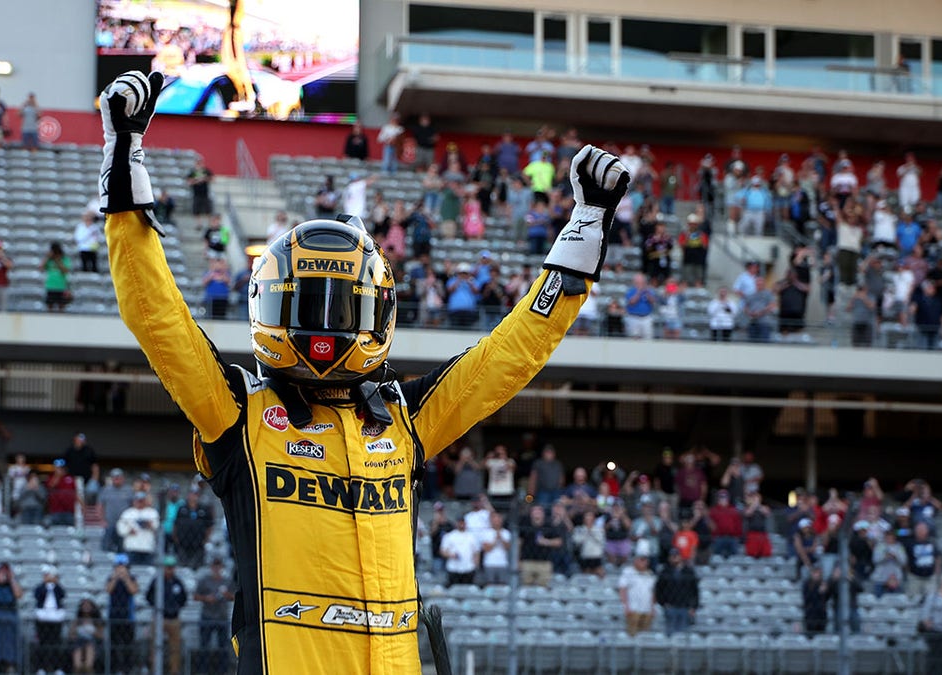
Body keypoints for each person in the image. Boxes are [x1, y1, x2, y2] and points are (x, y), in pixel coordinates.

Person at [99, 70, 629, 672]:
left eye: (342, 305)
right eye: (307, 304)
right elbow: (157, 318)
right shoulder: (237, 413)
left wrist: (585, 227)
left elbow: (510, 355)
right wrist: (124, 159)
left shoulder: (404, 415)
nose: (324, 327)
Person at [146, 556, 189, 675]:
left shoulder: (177, 582)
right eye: (167, 567)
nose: (169, 570)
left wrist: (175, 607)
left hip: (174, 618)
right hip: (159, 617)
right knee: (154, 646)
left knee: (175, 648)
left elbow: (184, 598)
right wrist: (157, 606)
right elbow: (148, 596)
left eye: (171, 567)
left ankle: (174, 671)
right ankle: (154, 670)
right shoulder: (157, 581)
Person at [195, 558, 234, 672]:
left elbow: (234, 596)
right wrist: (206, 598)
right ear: (211, 567)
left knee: (223, 646)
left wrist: (227, 595)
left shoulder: (227, 581)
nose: (217, 569)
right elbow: (195, 596)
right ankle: (203, 671)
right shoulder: (204, 580)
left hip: (222, 617)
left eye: (219, 566)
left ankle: (223, 671)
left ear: (222, 567)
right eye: (215, 566)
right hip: (207, 615)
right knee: (204, 646)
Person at [106, 554, 139, 675]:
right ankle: (113, 669)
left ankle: (127, 669)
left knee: (127, 646)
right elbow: (108, 590)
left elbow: (133, 590)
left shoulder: (132, 578)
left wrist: (125, 578)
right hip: (114, 616)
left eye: (123, 566)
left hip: (128, 617)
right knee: (113, 645)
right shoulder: (111, 578)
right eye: (118, 566)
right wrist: (115, 578)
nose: (120, 568)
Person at [33, 566, 68, 675]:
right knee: (42, 643)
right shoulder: (40, 587)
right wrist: (46, 585)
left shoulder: (57, 588)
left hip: (56, 617)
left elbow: (62, 595)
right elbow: (37, 595)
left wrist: (55, 584)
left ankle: (57, 668)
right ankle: (41, 668)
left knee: (56, 643)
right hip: (43, 617)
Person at [656, 548, 699, 635]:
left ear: (680, 557)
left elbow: (695, 591)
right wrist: (663, 603)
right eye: (672, 556)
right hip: (670, 607)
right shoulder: (665, 572)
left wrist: (693, 606)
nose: (674, 558)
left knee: (683, 634)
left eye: (676, 555)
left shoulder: (689, 571)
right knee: (670, 633)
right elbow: (658, 590)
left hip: (685, 607)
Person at [618, 553, 657, 636]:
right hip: (633, 609)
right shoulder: (628, 572)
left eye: (645, 560)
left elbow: (653, 592)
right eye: (641, 559)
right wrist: (626, 606)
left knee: (645, 635)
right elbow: (622, 589)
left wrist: (652, 608)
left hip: (647, 609)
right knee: (632, 634)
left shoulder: (650, 574)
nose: (643, 562)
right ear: (635, 560)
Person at [117, 491, 159, 564]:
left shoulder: (152, 512)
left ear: (145, 501)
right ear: (134, 501)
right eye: (138, 500)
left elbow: (157, 526)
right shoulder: (127, 513)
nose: (139, 502)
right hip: (131, 547)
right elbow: (120, 528)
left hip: (147, 548)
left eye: (142, 500)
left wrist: (149, 525)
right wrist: (129, 531)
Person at [439, 516, 480, 585]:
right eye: (460, 523)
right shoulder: (449, 536)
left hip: (468, 568)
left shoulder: (472, 536)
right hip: (453, 568)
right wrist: (451, 555)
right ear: (456, 524)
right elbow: (442, 551)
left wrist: (476, 565)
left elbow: (476, 552)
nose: (461, 525)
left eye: (463, 523)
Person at [70, 598, 104, 674]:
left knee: (88, 663)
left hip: (93, 644)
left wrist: (92, 631)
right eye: (84, 605)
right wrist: (77, 631)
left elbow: (101, 636)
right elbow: (71, 635)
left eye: (88, 605)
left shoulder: (97, 621)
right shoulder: (77, 621)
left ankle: (89, 667)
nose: (86, 607)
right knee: (78, 665)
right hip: (78, 643)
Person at [43, 242, 72, 312]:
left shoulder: (65, 259)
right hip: (50, 285)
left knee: (61, 307)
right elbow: (41, 267)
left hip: (61, 286)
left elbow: (65, 270)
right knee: (49, 306)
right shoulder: (49, 260)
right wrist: (47, 258)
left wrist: (57, 260)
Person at [187, 155, 214, 224]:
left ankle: (210, 223)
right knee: (196, 210)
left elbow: (212, 179)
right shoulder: (192, 172)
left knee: (208, 209)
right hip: (196, 193)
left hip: (205, 193)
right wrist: (196, 181)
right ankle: (199, 223)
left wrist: (204, 179)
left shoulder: (206, 170)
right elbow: (189, 182)